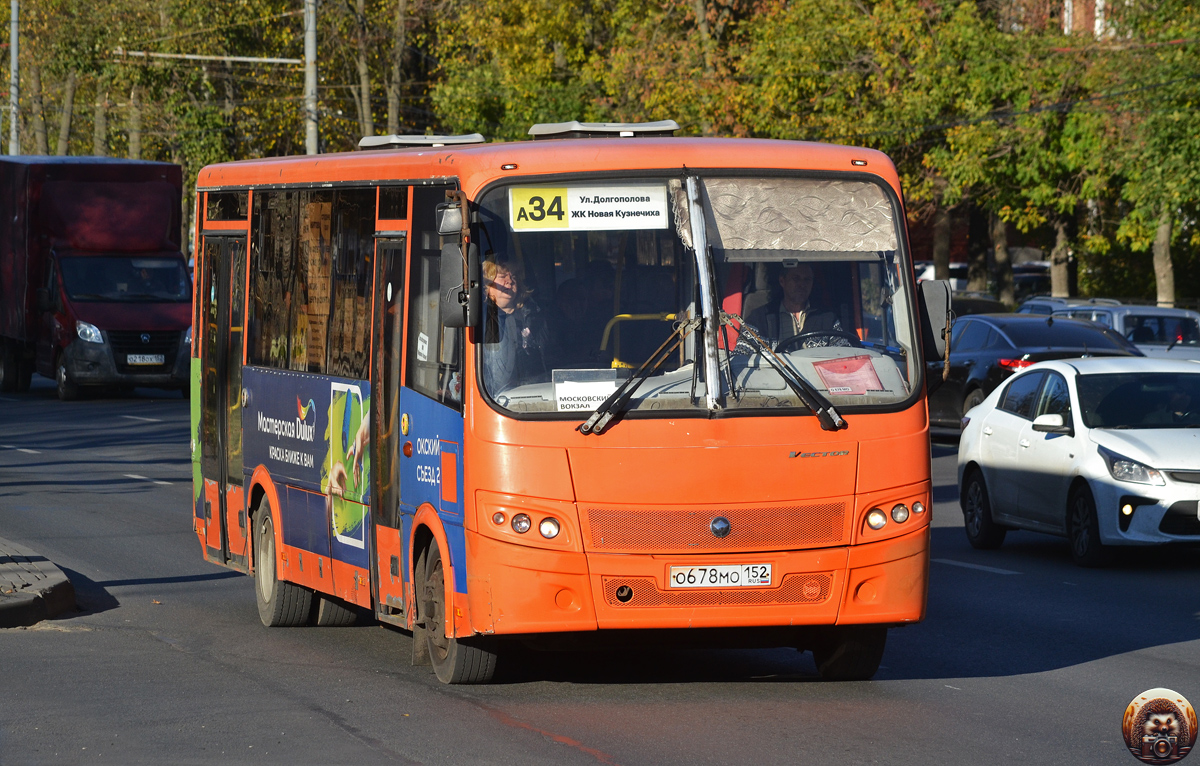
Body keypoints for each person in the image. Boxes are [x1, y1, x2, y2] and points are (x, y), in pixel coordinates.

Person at [481, 259, 552, 394]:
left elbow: (549, 355)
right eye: (502, 277)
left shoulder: (534, 315)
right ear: (487, 286)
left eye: (513, 276)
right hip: (495, 398)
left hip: (538, 392)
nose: (510, 280)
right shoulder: (480, 318)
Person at [742, 263, 845, 348]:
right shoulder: (758, 319)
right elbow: (741, 356)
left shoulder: (827, 318)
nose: (802, 284)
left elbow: (843, 351)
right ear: (782, 281)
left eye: (807, 279)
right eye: (796, 278)